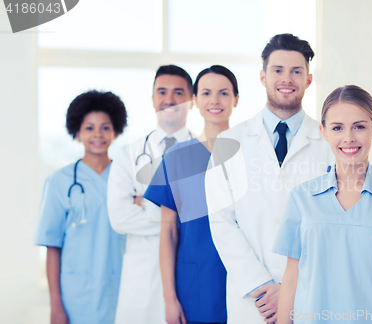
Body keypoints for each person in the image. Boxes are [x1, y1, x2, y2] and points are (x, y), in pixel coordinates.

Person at [273, 85, 372, 324]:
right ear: (324, 131)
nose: (348, 138)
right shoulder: (302, 198)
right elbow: (291, 278)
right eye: (337, 128)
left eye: (359, 126)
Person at [204, 34, 335, 323]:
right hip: (254, 302)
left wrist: (291, 287)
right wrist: (261, 286)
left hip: (309, 295)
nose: (286, 79)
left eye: (296, 71)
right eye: (278, 70)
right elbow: (221, 221)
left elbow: (333, 226)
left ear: (309, 79)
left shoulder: (330, 144)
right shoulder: (230, 141)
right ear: (263, 77)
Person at [143, 65, 239, 324]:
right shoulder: (176, 158)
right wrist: (169, 299)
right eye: (206, 93)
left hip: (244, 281)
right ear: (195, 100)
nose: (215, 101)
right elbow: (169, 231)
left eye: (224, 93)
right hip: (194, 285)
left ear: (236, 100)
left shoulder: (250, 156)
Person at [107, 65, 194, 324]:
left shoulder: (205, 153)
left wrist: (145, 203)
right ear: (153, 99)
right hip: (141, 279)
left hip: (189, 271)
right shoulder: (128, 154)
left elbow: (210, 221)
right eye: (162, 92)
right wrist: (176, 216)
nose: (169, 99)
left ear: (192, 100)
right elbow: (119, 218)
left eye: (179, 92)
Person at [34, 90, 128, 324]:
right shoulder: (59, 182)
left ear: (115, 131)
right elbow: (52, 246)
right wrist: (55, 305)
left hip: (122, 288)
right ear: (77, 132)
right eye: (89, 127)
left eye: (105, 127)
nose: (98, 134)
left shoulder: (127, 179)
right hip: (76, 295)